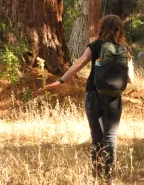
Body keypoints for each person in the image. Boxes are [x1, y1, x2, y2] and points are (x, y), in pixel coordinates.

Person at [45, 15, 134, 185]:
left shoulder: (96, 46)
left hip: (93, 95)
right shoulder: (125, 49)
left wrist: (61, 80)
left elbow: (78, 64)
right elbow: (130, 79)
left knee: (96, 138)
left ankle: (96, 176)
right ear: (119, 29)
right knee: (110, 137)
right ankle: (108, 179)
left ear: (102, 27)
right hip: (114, 98)